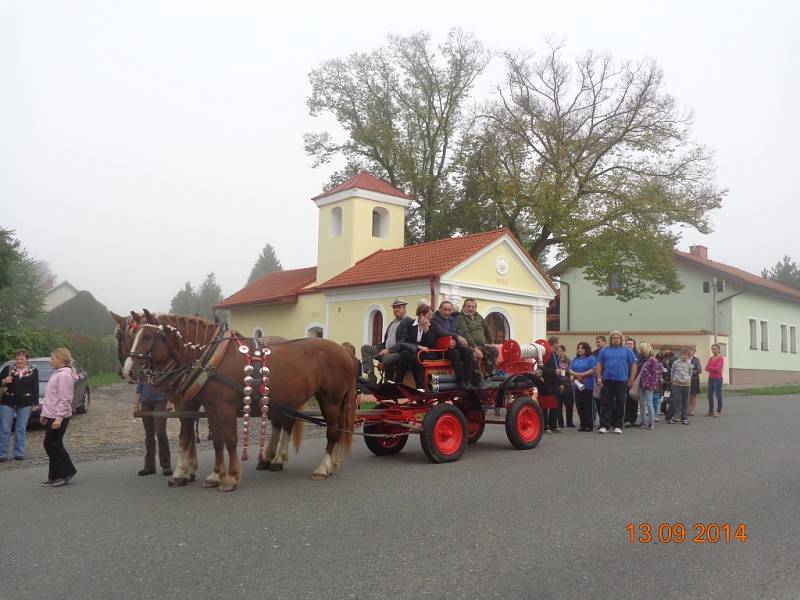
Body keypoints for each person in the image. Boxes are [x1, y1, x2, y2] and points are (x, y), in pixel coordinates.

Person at [40, 348, 78, 487]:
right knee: (54, 444)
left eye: (52, 359)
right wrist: (45, 414)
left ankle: (66, 472)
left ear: (61, 360)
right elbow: (51, 397)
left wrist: (59, 418)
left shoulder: (64, 376)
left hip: (59, 416)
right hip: (52, 415)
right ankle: (54, 476)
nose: (51, 361)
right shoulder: (58, 374)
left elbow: (65, 399)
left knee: (52, 444)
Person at [360, 299, 413, 383]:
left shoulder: (408, 321)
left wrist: (389, 350)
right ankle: (371, 377)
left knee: (386, 359)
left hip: (399, 352)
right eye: (394, 308)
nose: (396, 309)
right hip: (386, 350)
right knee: (365, 349)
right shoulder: (393, 323)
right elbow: (387, 341)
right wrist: (378, 347)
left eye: (399, 307)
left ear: (404, 309)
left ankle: (388, 381)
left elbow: (404, 341)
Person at [0, 349, 39, 461]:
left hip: (25, 403)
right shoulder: (8, 369)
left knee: (21, 428)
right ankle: (2, 454)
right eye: (17, 358)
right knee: (5, 428)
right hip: (7, 401)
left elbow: (35, 387)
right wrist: (4, 381)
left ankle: (19, 453)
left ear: (27, 359)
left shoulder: (33, 370)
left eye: (22, 358)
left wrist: (35, 403)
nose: (19, 361)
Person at [595, 331, 637, 434]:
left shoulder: (627, 350)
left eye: (618, 338)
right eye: (613, 338)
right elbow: (599, 364)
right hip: (607, 379)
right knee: (606, 402)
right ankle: (604, 425)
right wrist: (599, 378)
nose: (616, 339)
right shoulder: (604, 350)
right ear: (610, 339)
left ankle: (618, 426)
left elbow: (633, 365)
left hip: (622, 380)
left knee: (620, 403)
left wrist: (631, 379)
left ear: (621, 339)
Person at [392, 304, 438, 390]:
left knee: (414, 357)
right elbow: (407, 340)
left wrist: (426, 329)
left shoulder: (433, 325)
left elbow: (431, 343)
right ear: (422, 315)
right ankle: (398, 382)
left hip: (428, 352)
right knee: (405, 353)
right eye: (430, 314)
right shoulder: (410, 324)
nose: (432, 317)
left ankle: (420, 386)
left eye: (432, 314)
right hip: (414, 349)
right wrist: (419, 346)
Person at [431, 300, 475, 389]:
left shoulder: (453, 320)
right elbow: (441, 332)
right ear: (439, 310)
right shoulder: (435, 319)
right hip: (440, 349)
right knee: (455, 353)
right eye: (445, 310)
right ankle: (461, 380)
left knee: (468, 352)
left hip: (453, 346)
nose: (447, 312)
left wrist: (456, 340)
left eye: (449, 310)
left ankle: (468, 380)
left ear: (451, 311)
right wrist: (456, 337)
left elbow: (459, 333)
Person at [455, 298, 499, 381]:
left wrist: (491, 342)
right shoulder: (460, 318)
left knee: (494, 350)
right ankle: (478, 379)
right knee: (474, 354)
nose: (471, 309)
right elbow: (466, 333)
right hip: (469, 346)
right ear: (464, 307)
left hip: (482, 345)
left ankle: (489, 376)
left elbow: (487, 329)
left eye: (473, 307)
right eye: (469, 307)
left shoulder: (478, 316)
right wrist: (476, 349)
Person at [135, 378, 173, 476]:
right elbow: (139, 389)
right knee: (149, 435)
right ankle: (149, 466)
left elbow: (170, 385)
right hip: (145, 402)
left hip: (160, 401)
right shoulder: (143, 371)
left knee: (160, 432)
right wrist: (136, 406)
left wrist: (169, 402)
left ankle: (166, 464)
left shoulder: (160, 367)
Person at [568, 342, 597, 432]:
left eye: (582, 348)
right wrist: (574, 376)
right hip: (577, 385)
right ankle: (583, 424)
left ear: (586, 349)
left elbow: (593, 369)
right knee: (579, 405)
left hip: (587, 385)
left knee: (587, 405)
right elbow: (570, 370)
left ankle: (589, 425)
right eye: (579, 348)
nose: (580, 349)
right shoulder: (575, 359)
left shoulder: (591, 358)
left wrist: (581, 374)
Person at [539, 336, 563, 433]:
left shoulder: (555, 355)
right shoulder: (545, 355)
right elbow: (541, 368)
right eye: (558, 343)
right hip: (546, 384)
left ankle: (553, 425)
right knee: (546, 406)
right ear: (554, 344)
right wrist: (554, 371)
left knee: (555, 405)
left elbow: (558, 369)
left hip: (555, 384)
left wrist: (560, 383)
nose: (559, 345)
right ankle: (545, 426)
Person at [637, 342, 661, 430]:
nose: (640, 351)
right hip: (640, 384)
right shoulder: (640, 359)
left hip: (649, 385)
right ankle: (643, 422)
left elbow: (655, 374)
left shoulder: (653, 360)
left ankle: (651, 422)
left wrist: (653, 385)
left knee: (649, 403)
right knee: (642, 404)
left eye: (642, 349)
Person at [667, 349, 692, 425]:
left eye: (686, 355)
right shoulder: (676, 363)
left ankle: (684, 418)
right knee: (674, 401)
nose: (684, 356)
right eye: (683, 355)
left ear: (688, 356)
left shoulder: (689, 364)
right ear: (680, 355)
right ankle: (670, 417)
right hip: (676, 384)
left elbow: (690, 374)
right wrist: (672, 380)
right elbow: (672, 371)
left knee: (685, 402)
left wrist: (688, 381)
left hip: (686, 385)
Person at [624, 337, 640, 427]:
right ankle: (626, 419)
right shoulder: (622, 354)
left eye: (631, 344)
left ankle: (633, 419)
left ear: (634, 345)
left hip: (635, 381)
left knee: (633, 399)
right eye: (628, 344)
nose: (629, 345)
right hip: (623, 380)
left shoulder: (638, 355)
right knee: (624, 400)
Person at [557, 345, 574, 427]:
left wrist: (562, 372)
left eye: (562, 351)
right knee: (558, 405)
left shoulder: (569, 361)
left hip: (568, 385)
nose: (561, 353)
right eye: (559, 351)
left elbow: (570, 371)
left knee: (569, 405)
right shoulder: (556, 361)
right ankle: (560, 423)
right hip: (558, 385)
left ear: (564, 352)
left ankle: (570, 422)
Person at [705, 344, 725, 416]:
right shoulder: (711, 358)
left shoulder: (721, 358)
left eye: (715, 349)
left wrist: (711, 368)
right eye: (712, 349)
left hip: (718, 378)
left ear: (719, 349)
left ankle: (719, 411)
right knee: (709, 394)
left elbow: (718, 368)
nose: (713, 350)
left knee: (718, 394)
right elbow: (706, 368)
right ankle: (711, 411)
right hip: (711, 378)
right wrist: (713, 368)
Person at [687, 348, 702, 416]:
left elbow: (699, 370)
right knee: (687, 395)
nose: (689, 352)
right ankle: (688, 409)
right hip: (685, 379)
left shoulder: (696, 360)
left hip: (694, 379)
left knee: (693, 395)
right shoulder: (685, 359)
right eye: (688, 351)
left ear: (694, 352)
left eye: (691, 351)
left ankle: (692, 410)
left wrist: (690, 373)